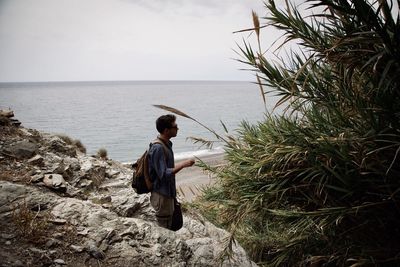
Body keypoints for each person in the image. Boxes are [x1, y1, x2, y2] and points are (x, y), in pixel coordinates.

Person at [148, 114, 195, 229]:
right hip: (162, 196)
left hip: (167, 194)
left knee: (170, 224)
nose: (177, 129)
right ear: (166, 130)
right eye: (175, 126)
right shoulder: (158, 148)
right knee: (164, 228)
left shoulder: (166, 144)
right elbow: (163, 174)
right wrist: (184, 164)